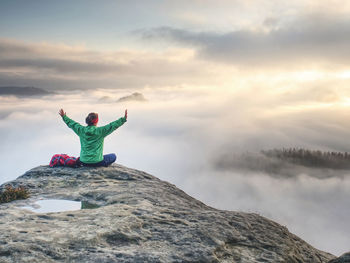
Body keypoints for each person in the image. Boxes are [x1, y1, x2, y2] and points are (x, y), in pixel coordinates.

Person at [59, 108, 127, 167]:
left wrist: (64, 117)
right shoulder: (101, 131)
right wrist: (123, 119)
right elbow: (112, 126)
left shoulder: (81, 130)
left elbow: (72, 124)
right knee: (113, 156)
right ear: (96, 121)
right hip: (97, 162)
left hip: (83, 162)